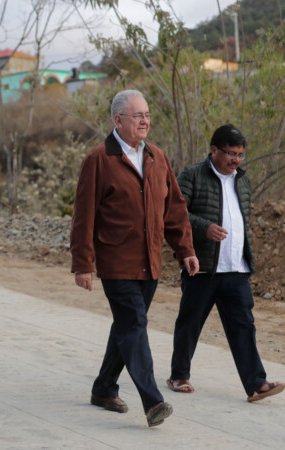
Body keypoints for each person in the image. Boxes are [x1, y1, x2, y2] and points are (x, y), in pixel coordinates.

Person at [70, 89, 199, 427]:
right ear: (118, 120)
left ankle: (103, 387)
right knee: (135, 325)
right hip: (116, 261)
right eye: (137, 115)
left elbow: (174, 209)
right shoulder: (99, 159)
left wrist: (185, 249)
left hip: (150, 261)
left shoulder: (157, 156)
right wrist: (83, 264)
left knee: (127, 327)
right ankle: (153, 400)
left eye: (147, 115)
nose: (145, 121)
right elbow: (83, 215)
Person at [167, 124, 285, 402]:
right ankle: (179, 375)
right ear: (214, 150)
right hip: (203, 268)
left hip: (236, 269)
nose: (236, 160)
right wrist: (204, 226)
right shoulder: (192, 175)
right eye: (231, 153)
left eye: (240, 155)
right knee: (190, 322)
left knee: (244, 325)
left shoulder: (242, 180)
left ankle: (257, 384)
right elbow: (174, 213)